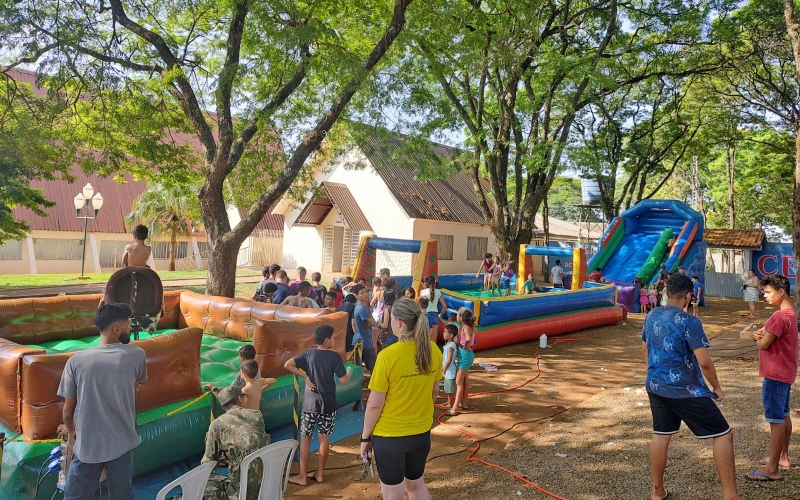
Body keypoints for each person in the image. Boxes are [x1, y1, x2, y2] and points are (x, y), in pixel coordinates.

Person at [642, 274, 742, 500]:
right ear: (689, 296)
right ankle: (731, 495)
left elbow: (645, 348)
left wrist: (653, 372)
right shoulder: (690, 322)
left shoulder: (651, 316)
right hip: (685, 389)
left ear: (666, 292)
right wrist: (717, 387)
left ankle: (657, 491)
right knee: (723, 435)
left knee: (661, 434)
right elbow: (704, 361)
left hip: (656, 384)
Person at [57, 303, 147, 500]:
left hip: (88, 446)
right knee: (121, 495)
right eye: (128, 324)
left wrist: (70, 429)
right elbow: (132, 394)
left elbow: (68, 410)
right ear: (116, 330)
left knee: (75, 496)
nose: (131, 328)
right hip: (123, 442)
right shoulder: (137, 355)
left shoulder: (75, 362)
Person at [360, 298, 443, 500]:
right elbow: (434, 392)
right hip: (421, 433)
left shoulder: (388, 356)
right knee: (416, 485)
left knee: (392, 493)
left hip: (390, 437)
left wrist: (365, 437)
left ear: (399, 322)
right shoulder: (434, 350)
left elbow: (374, 404)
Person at [285, 325, 354, 485]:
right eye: (334, 337)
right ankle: (320, 474)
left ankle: (302, 476)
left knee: (306, 438)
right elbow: (343, 380)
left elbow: (287, 364)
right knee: (324, 438)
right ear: (327, 339)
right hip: (329, 404)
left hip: (311, 404)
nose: (335, 340)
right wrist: (349, 372)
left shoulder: (308, 354)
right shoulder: (334, 357)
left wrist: (306, 377)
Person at [747, 274, 798, 481]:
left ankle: (773, 469)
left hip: (775, 374)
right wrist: (760, 334)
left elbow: (763, 343)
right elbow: (765, 334)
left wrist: (755, 337)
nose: (764, 295)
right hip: (786, 372)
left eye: (767, 292)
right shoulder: (790, 314)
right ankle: (783, 457)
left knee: (775, 421)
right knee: (784, 415)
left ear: (781, 291)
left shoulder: (778, 317)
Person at [201, 386, 270, 500]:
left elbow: (208, 464)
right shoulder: (257, 415)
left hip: (241, 492)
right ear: (239, 399)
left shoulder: (217, 424)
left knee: (206, 486)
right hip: (267, 486)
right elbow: (253, 445)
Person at [449, 308, 476, 415]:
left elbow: (468, 338)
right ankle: (464, 403)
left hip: (465, 355)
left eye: (458, 315)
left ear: (461, 317)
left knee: (459, 381)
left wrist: (465, 345)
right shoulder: (467, 327)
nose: (456, 317)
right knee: (465, 379)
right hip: (466, 355)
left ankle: (455, 408)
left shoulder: (465, 328)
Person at [352, 284, 378, 372]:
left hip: (359, 339)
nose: (365, 294)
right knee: (372, 367)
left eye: (366, 292)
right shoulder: (362, 309)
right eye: (362, 293)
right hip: (365, 342)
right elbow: (373, 323)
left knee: (358, 366)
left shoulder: (359, 307)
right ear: (356, 295)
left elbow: (354, 324)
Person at [442, 324, 458, 408]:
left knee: (450, 389)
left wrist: (444, 370)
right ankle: (448, 401)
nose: (443, 333)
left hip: (449, 371)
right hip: (448, 371)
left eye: (445, 332)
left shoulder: (451, 346)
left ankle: (450, 404)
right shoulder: (448, 345)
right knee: (448, 388)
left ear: (451, 335)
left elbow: (449, 360)